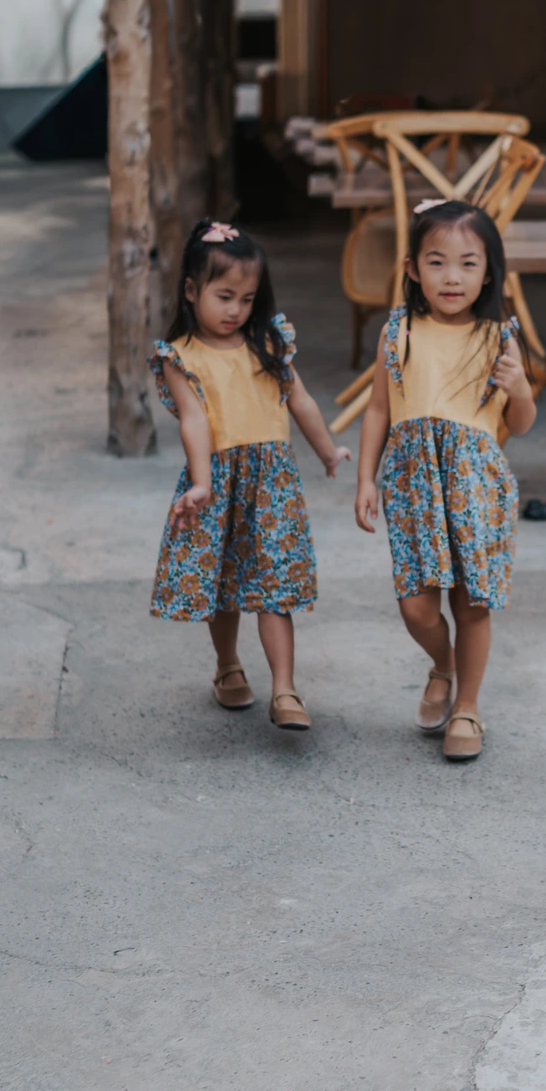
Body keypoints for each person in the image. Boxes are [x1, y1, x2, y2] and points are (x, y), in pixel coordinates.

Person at [150, 219, 349, 731]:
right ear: (192, 291)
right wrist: (201, 482)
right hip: (216, 478)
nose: (236, 309)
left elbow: (298, 399)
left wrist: (327, 452)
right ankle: (227, 665)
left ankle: (285, 689)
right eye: (224, 296)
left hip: (271, 484)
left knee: (275, 587)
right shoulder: (180, 356)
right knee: (224, 583)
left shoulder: (269, 340)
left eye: (247, 297)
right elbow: (194, 421)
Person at [354, 199, 536, 761]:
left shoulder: (497, 337)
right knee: (417, 606)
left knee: (471, 604)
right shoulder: (399, 330)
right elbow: (379, 410)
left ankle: (468, 707)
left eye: (467, 263)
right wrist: (366, 478)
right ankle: (443, 664)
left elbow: (518, 423)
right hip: (412, 484)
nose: (452, 277)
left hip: (475, 484)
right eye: (436, 262)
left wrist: (522, 388)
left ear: (488, 271)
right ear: (412, 269)